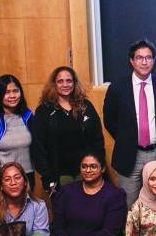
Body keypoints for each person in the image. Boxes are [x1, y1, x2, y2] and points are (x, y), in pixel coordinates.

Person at [103, 39, 156, 206]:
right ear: (131, 61)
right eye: (139, 57)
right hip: (129, 155)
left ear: (154, 60)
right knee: (128, 205)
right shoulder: (117, 88)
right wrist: (126, 139)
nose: (144, 62)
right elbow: (109, 120)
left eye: (148, 57)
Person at [31, 65, 106, 193]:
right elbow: (39, 147)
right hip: (59, 174)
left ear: (74, 83)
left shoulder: (86, 106)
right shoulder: (44, 111)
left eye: (69, 81)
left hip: (86, 171)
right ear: (54, 84)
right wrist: (47, 175)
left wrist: (98, 165)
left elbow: (97, 139)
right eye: (60, 81)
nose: (65, 84)